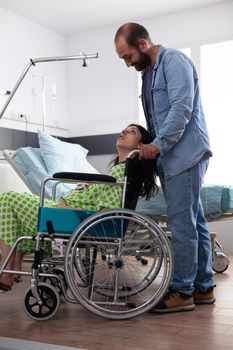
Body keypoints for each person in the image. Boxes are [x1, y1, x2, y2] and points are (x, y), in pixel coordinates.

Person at [114, 23, 215, 313]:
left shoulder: (174, 61)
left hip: (185, 154)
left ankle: (183, 291)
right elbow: (157, 119)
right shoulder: (147, 74)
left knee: (181, 223)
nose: (127, 63)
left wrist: (158, 145)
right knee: (193, 221)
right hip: (171, 158)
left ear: (143, 44)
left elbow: (181, 108)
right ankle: (202, 287)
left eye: (127, 56)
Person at [0, 124, 157, 292]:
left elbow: (104, 212)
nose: (124, 131)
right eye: (125, 129)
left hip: (73, 219)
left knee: (8, 199)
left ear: (141, 146)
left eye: (132, 132)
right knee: (17, 205)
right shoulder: (118, 171)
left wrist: (68, 209)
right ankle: (13, 266)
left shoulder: (119, 173)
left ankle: (6, 269)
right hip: (71, 214)